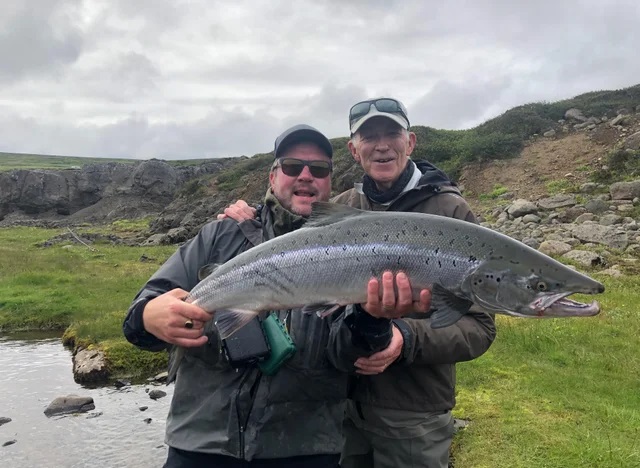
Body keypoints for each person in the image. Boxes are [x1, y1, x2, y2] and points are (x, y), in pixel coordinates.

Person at [122, 124, 422, 468]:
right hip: (201, 445)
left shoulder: (354, 249)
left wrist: (374, 321)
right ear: (272, 175)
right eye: (293, 167)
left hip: (305, 448)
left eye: (319, 170)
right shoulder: (219, 235)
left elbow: (348, 357)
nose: (306, 176)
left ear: (330, 181)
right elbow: (137, 320)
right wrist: (149, 316)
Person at [220, 98, 497, 468]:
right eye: (370, 137)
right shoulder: (342, 205)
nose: (382, 145)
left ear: (410, 142)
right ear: (354, 150)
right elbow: (292, 236)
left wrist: (407, 339)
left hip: (412, 414)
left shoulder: (450, 211)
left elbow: (478, 327)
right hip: (338, 406)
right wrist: (252, 214)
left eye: (391, 133)